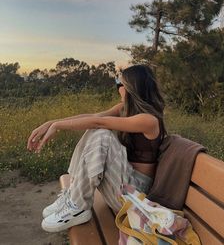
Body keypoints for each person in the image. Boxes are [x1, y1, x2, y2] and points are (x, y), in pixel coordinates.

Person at [27, 64, 167, 233]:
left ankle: (78, 206)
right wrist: (53, 122)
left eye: (119, 84)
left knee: (102, 134)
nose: (118, 89)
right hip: (122, 184)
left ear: (131, 88)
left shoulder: (148, 120)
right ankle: (73, 194)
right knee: (95, 129)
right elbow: (94, 117)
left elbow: (99, 122)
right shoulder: (125, 109)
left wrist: (58, 126)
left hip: (136, 197)